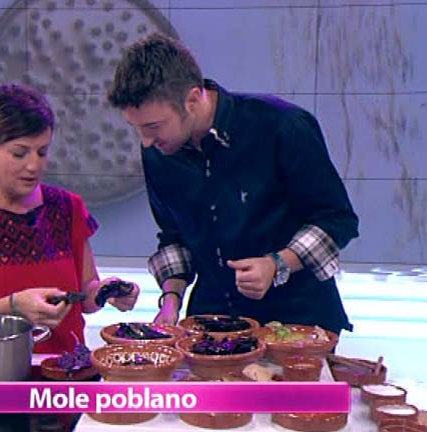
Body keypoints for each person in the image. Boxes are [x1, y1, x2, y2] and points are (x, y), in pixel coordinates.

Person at [107, 34, 359, 334]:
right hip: (211, 323)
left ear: (192, 100)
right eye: (136, 128)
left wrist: (277, 264)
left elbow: (336, 220)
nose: (146, 141)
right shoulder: (158, 152)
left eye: (152, 127)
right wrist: (171, 299)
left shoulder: (281, 125)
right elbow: (174, 235)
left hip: (298, 321)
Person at [0, 83, 139, 353]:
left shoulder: (68, 207)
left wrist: (107, 291)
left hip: (66, 370)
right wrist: (13, 306)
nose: (34, 165)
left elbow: (84, 296)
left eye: (42, 152)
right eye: (19, 153)